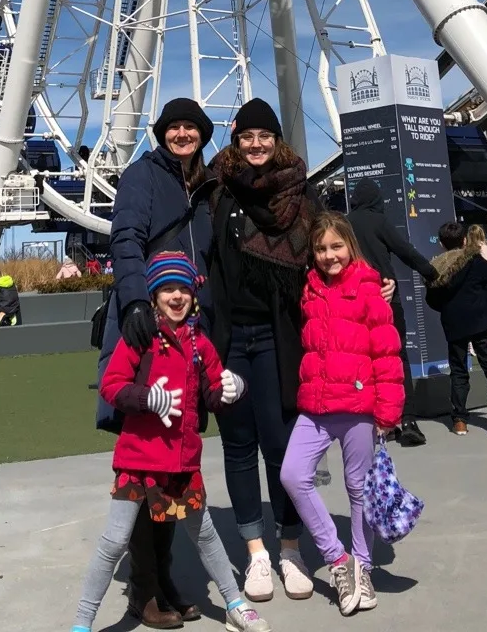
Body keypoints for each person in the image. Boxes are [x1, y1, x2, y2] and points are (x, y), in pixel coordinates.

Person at [73, 252, 269, 632]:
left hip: (182, 462)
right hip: (137, 461)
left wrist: (233, 388)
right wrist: (148, 398)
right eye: (167, 289)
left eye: (183, 289)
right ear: (154, 295)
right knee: (114, 542)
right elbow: (111, 386)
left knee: (205, 534)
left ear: (193, 295)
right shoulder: (140, 337)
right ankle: (81, 624)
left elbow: (213, 394)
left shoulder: (201, 344)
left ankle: (235, 605)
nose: (176, 296)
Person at [96, 97, 217, 629]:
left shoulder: (206, 185)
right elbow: (125, 238)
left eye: (192, 127)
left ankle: (163, 580)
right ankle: (142, 590)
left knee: (173, 468)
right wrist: (135, 302)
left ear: (203, 135)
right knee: (147, 466)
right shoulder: (142, 175)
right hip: (148, 326)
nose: (182, 134)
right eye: (174, 127)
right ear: (162, 133)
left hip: (188, 330)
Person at [208, 97, 316, 604]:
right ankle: (256, 554)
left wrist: (372, 282)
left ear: (277, 141)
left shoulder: (301, 193)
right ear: (236, 140)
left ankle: (290, 547)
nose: (255, 144)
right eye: (247, 136)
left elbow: (328, 253)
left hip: (278, 337)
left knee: (280, 445)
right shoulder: (217, 190)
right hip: (230, 338)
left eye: (264, 136)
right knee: (237, 447)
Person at [280, 213, 404, 615]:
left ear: (350, 245)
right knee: (292, 474)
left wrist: (388, 410)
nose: (329, 255)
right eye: (321, 248)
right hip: (316, 405)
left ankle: (363, 567)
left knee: (358, 489)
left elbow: (386, 352)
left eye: (336, 246)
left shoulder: (370, 288)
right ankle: (339, 559)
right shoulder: (309, 289)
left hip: (357, 406)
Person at [346, 178, 436, 446]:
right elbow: (405, 251)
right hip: (385, 297)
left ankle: (374, 422)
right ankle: (407, 419)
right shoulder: (379, 221)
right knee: (397, 358)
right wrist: (431, 272)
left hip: (354, 299)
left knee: (364, 361)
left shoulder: (345, 224)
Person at [426, 220, 487, 437]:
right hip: (478, 320)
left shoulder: (437, 267)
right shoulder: (473, 261)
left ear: (441, 244)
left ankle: (459, 420)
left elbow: (432, 300)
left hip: (454, 323)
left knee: (458, 370)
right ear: (464, 240)